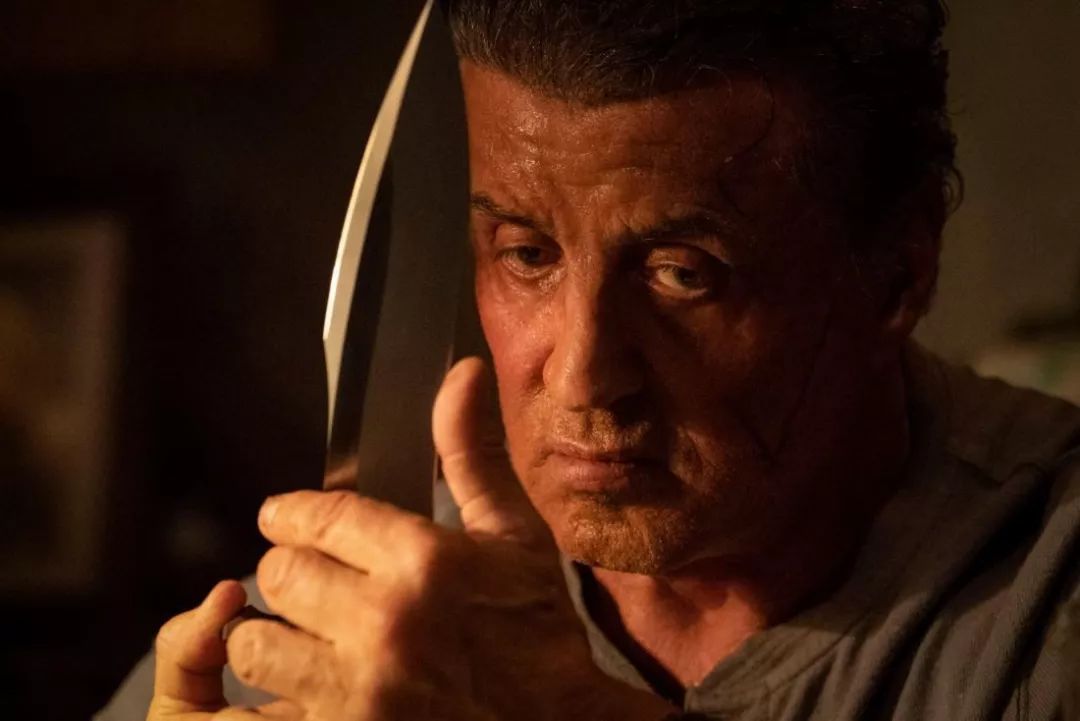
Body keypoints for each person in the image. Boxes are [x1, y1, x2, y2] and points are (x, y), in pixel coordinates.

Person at [98, 1, 1080, 719]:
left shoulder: (1043, 591)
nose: (581, 377)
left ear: (897, 275)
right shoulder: (385, 617)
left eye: (682, 273)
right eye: (527, 255)